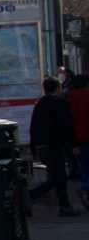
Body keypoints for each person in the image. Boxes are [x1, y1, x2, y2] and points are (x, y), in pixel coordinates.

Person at [28, 76, 80, 216]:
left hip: (41, 145)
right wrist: (73, 144)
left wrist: (33, 147)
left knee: (57, 176)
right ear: (58, 88)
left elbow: (33, 127)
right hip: (54, 144)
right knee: (58, 177)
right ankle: (30, 196)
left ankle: (64, 205)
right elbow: (67, 125)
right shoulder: (60, 103)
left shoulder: (39, 103)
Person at [65, 73, 89, 210]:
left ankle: (86, 189)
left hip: (76, 140)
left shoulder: (67, 98)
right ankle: (86, 190)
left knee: (85, 167)